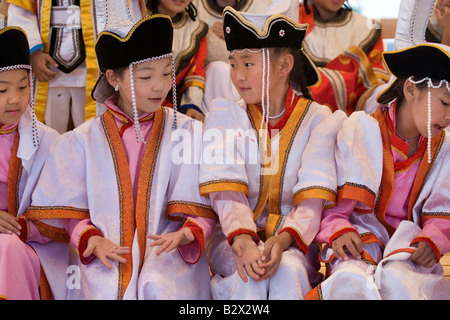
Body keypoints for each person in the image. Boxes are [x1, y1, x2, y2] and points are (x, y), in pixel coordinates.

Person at [23, 15, 216, 300]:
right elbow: (70, 213)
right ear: (113, 77)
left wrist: (187, 233)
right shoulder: (82, 141)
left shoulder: (188, 132)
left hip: (168, 256)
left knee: (157, 285)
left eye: (166, 74)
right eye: (146, 76)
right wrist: (92, 240)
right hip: (106, 256)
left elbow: (204, 208)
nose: (159, 86)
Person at [199, 3, 347, 299]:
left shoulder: (318, 120)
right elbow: (226, 194)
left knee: (289, 270)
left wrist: (280, 242)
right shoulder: (225, 116)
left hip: (293, 243)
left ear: (284, 66)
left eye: (248, 64)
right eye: (233, 64)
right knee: (249, 274)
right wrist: (243, 238)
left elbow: (312, 202)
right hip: (233, 241)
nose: (238, 76)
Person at [306, 42, 450, 300]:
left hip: (408, 249)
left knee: (399, 282)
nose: (449, 115)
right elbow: (334, 207)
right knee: (350, 280)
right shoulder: (363, 130)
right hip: (358, 240)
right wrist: (339, 230)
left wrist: (433, 239)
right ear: (410, 89)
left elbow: (442, 211)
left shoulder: (444, 148)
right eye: (445, 102)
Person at [6, 0, 145, 133]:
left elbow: (127, 11)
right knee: (46, 132)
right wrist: (32, 51)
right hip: (47, 71)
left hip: (94, 69)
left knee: (93, 131)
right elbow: (22, 10)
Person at [0, 26, 59, 300]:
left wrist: (24, 228)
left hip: (26, 244)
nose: (14, 99)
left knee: (9, 246)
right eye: (1, 90)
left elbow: (61, 213)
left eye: (22, 87)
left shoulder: (48, 142)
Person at [299, 0, 390, 115]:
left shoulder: (368, 27)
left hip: (358, 117)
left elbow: (377, 80)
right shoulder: (293, 22)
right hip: (308, 115)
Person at [193, 0, 274, 113]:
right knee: (217, 69)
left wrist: (236, 38)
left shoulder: (264, 4)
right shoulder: (193, 5)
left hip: (255, 84)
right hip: (205, 83)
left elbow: (274, 53)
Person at [146, 0, 208, 122]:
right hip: (141, 101)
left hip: (177, 106)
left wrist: (192, 105)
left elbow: (195, 71)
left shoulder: (196, 29)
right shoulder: (139, 21)